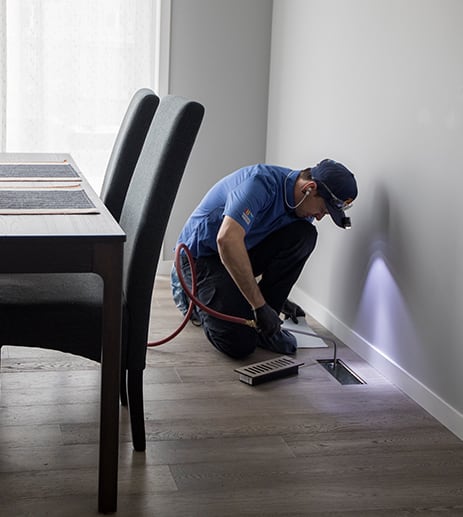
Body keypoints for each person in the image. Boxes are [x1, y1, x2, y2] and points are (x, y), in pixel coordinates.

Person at [171, 158, 358, 359]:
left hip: (237, 252)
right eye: (323, 209)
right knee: (239, 344)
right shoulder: (259, 184)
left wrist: (276, 299)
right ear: (309, 188)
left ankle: (266, 326)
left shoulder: (303, 208)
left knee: (305, 235)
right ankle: (204, 308)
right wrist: (259, 305)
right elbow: (227, 240)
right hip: (201, 258)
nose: (320, 217)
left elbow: (265, 249)